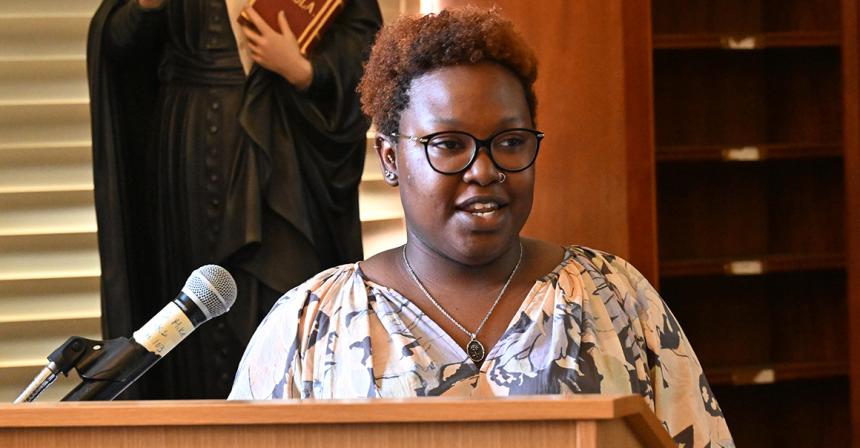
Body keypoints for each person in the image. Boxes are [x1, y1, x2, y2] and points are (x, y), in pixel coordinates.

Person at [229, 7, 734, 447]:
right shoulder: (309, 324)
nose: (485, 170)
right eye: (449, 144)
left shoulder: (616, 299)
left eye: (510, 141)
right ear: (389, 157)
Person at [87, 0, 382, 399]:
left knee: (291, 296)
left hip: (289, 154)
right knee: (193, 314)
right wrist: (145, 8)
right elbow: (119, 47)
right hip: (189, 156)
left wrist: (306, 71)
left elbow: (363, 42)